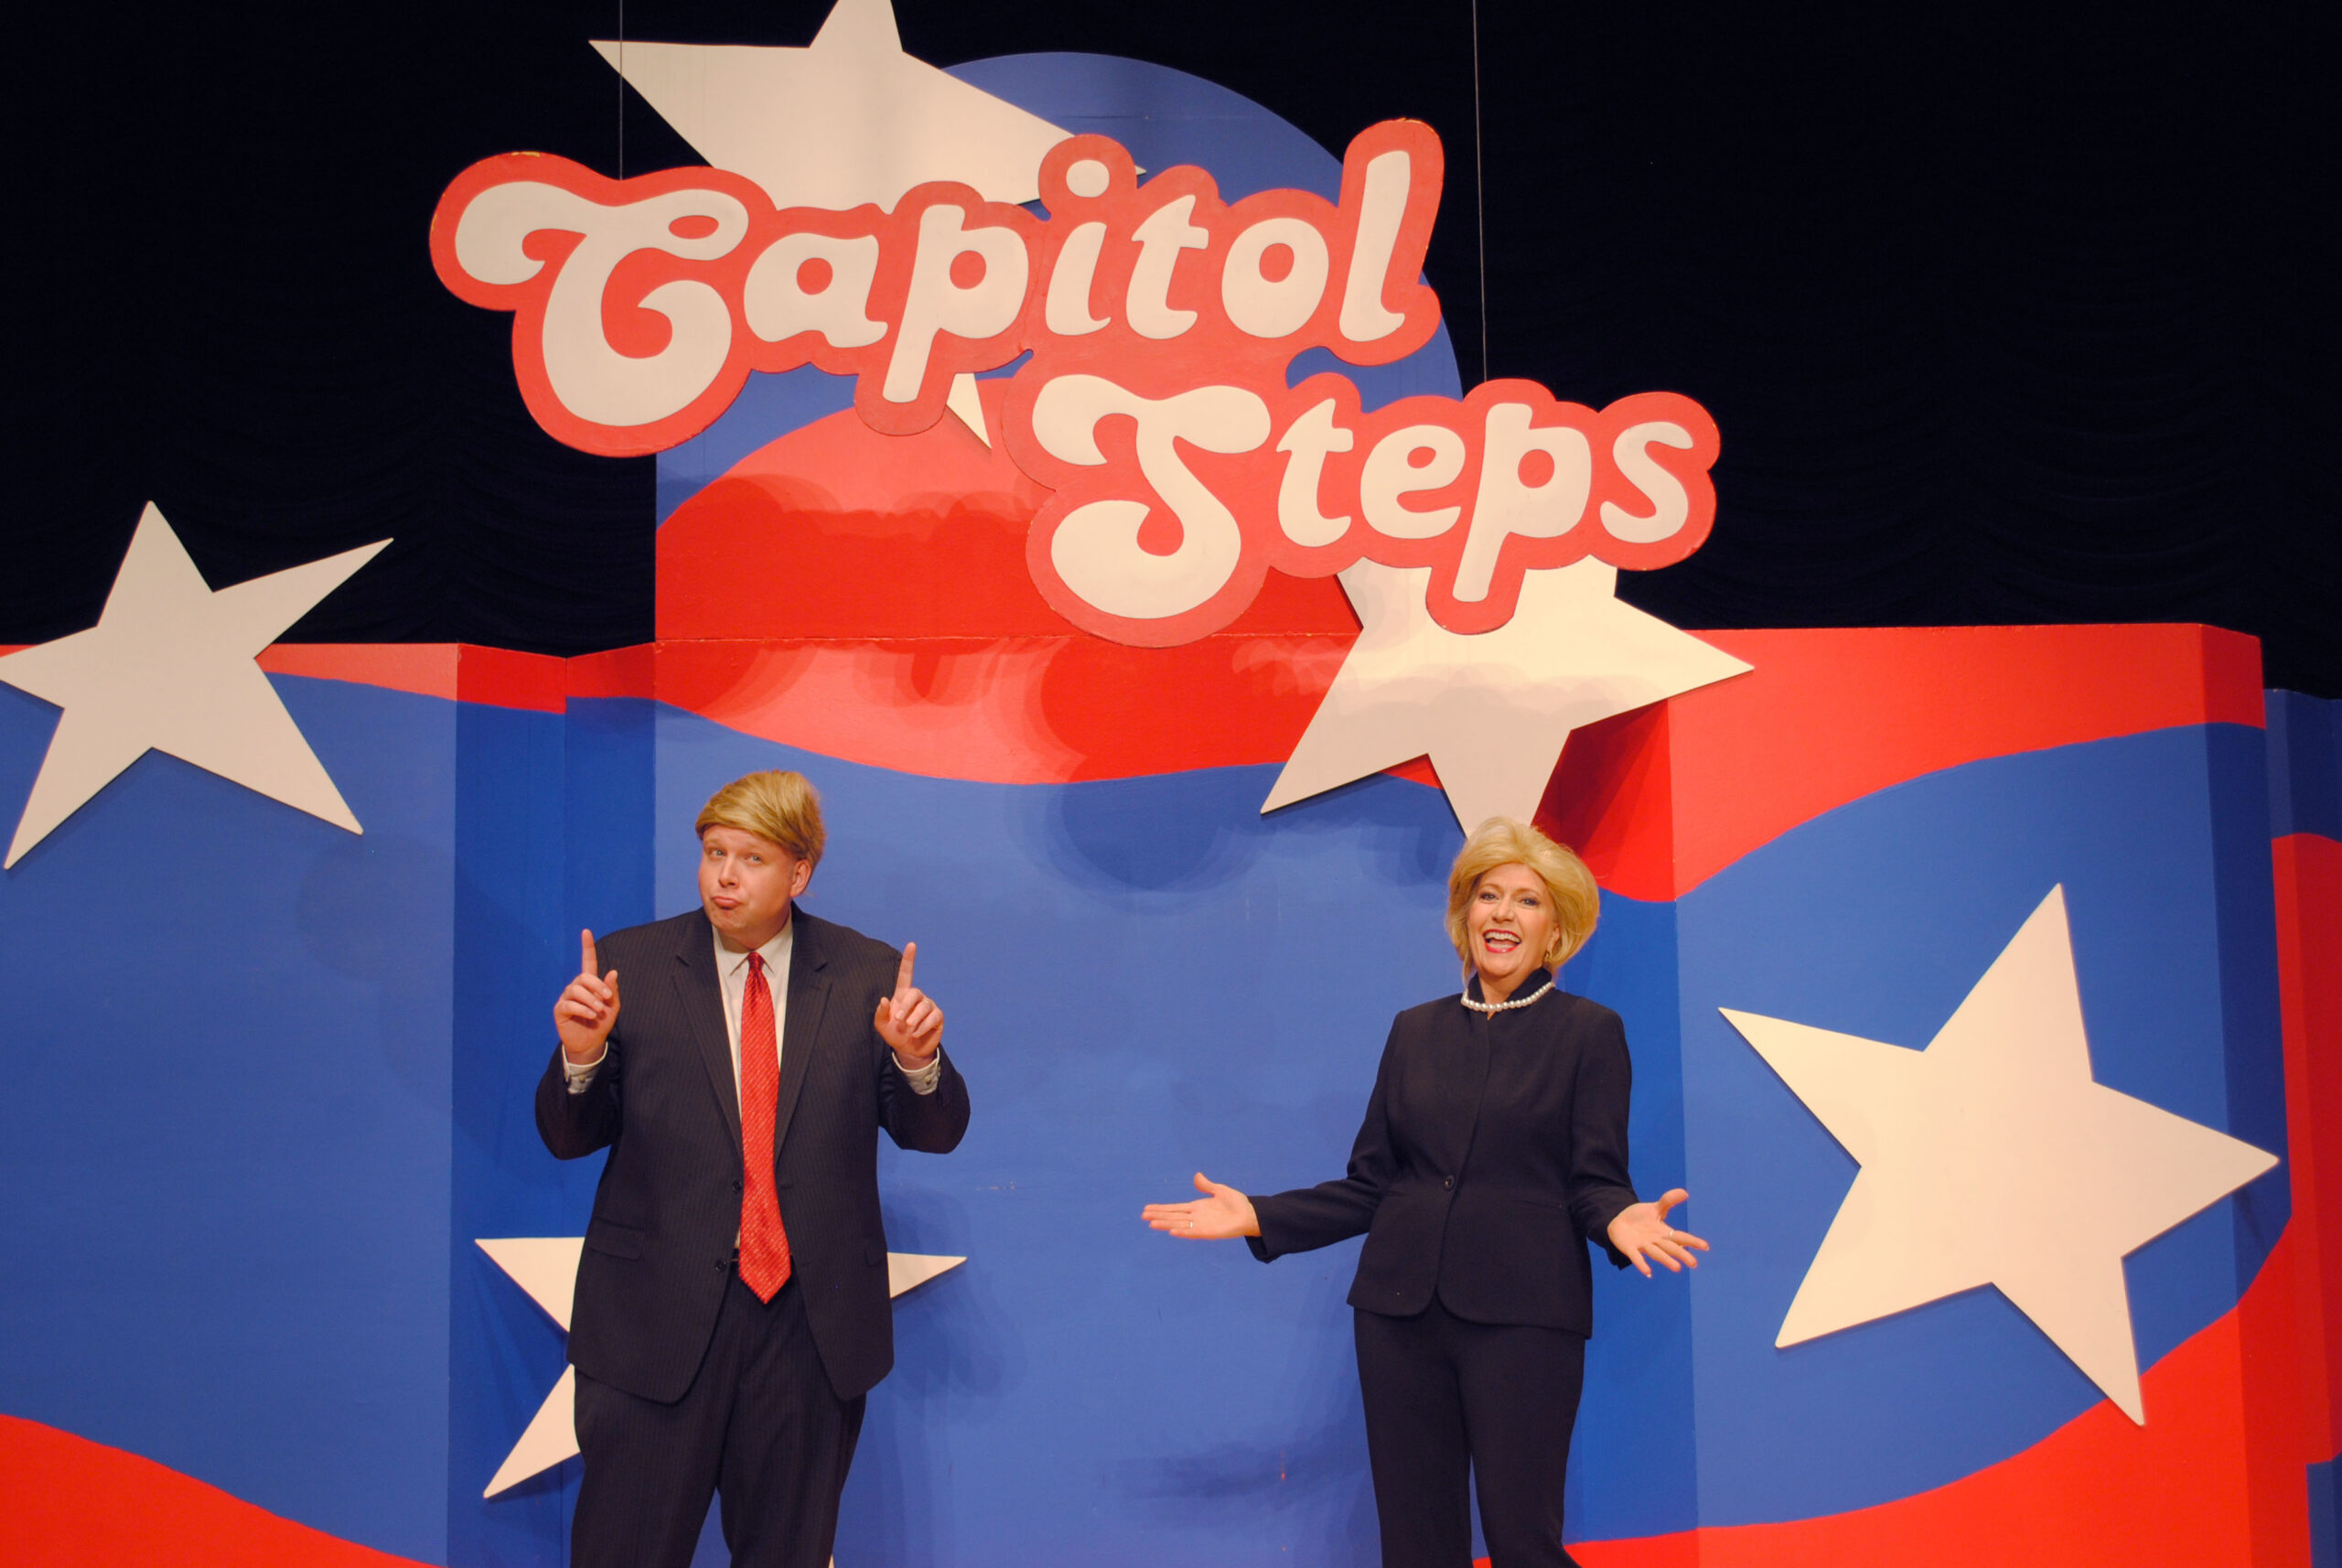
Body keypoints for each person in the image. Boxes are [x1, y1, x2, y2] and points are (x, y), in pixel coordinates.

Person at [1142, 816, 1703, 1568]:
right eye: (1488, 894)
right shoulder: (1414, 1030)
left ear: (1556, 932)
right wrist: (1261, 1216)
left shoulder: (1588, 1033)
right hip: (1398, 1316)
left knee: (1522, 1540)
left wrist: (1617, 1220)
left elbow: (1594, 1181)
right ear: (1463, 915)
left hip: (1524, 1318)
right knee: (1414, 1545)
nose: (1502, 913)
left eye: (1527, 901)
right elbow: (1374, 1184)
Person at [538, 768, 970, 1568]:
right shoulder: (631, 968)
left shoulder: (865, 974)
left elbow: (935, 1132)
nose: (724, 877)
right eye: (712, 853)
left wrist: (919, 1062)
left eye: (751, 858)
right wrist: (580, 1055)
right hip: (650, 1331)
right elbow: (568, 1137)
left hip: (807, 1335)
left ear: (799, 872)